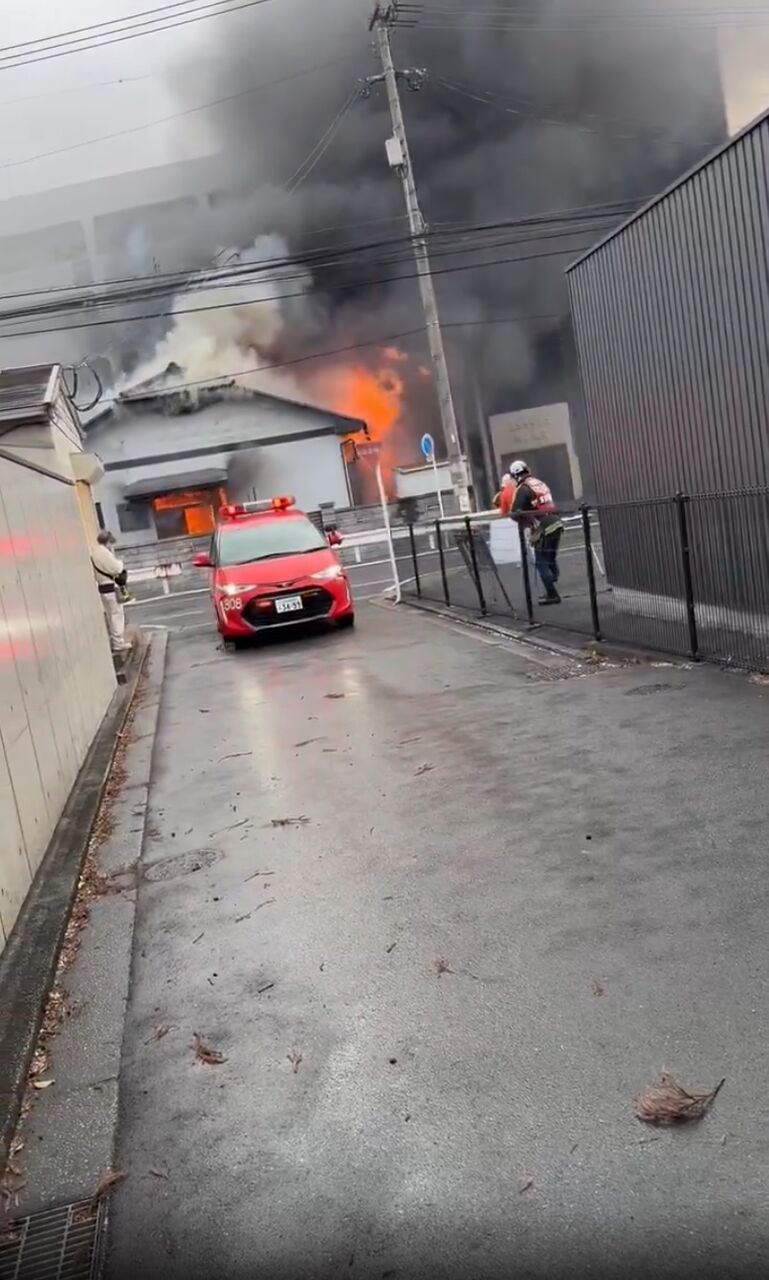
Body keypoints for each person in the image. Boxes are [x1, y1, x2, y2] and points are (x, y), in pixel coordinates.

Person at [509, 459, 564, 604]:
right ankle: (553, 575)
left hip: (543, 525)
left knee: (540, 561)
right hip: (556, 522)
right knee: (549, 557)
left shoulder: (523, 488)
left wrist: (526, 522)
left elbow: (515, 513)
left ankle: (552, 594)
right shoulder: (540, 483)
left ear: (515, 475)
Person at [92, 530, 130, 652]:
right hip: (110, 588)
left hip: (102, 588)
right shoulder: (104, 553)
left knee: (110, 615)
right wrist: (120, 562)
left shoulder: (95, 552)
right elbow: (117, 568)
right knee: (117, 615)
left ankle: (116, 640)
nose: (111, 545)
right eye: (111, 543)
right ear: (107, 541)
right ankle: (118, 642)